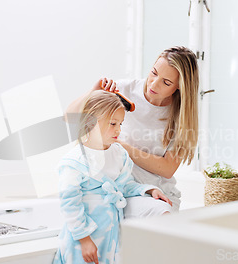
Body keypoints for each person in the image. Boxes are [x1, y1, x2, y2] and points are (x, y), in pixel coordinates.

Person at [66, 46, 199, 216]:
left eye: (166, 82)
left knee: (161, 216)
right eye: (154, 73)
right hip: (117, 187)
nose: (154, 83)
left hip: (155, 193)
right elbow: (70, 118)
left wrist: (119, 145)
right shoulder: (122, 90)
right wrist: (94, 91)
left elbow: (167, 169)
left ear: (180, 86)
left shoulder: (182, 114)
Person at [54, 90, 171, 264]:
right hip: (83, 238)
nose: (118, 130)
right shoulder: (75, 161)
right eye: (113, 123)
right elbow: (70, 203)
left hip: (109, 235)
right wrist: (84, 239)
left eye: (121, 124)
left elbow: (123, 186)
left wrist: (149, 189)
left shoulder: (119, 154)